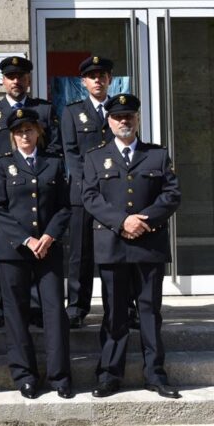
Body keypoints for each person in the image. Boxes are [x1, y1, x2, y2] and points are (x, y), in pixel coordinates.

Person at [82, 93, 182, 399]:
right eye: (118, 117)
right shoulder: (94, 157)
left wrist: (143, 220)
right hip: (113, 245)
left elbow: (172, 194)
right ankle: (109, 375)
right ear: (109, 122)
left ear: (138, 119)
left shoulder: (157, 155)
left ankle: (155, 374)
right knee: (115, 314)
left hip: (149, 245)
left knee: (149, 313)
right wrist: (123, 221)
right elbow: (90, 197)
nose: (123, 121)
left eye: (129, 116)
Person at [0, 108, 73, 399]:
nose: (25, 135)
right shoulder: (2, 165)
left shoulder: (54, 163)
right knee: (16, 313)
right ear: (12, 137)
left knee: (54, 311)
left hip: (48, 249)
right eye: (19, 131)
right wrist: (26, 240)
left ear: (38, 132)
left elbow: (64, 206)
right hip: (14, 251)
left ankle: (60, 376)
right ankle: (25, 375)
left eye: (29, 130)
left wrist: (48, 236)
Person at [0, 56, 61, 328]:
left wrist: (37, 171)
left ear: (28, 80)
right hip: (4, 193)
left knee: (39, 249)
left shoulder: (44, 110)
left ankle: (35, 308)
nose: (16, 81)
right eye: (11, 77)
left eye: (21, 76)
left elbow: (54, 147)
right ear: (3, 80)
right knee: (2, 250)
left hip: (38, 191)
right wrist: (6, 173)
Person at [61, 56, 115, 329]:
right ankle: (77, 307)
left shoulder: (119, 110)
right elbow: (71, 153)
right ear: (83, 82)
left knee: (116, 253)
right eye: (92, 77)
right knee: (80, 253)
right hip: (83, 193)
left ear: (109, 80)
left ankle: (119, 307)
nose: (97, 80)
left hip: (114, 194)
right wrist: (92, 185)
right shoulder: (72, 112)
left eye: (102, 76)